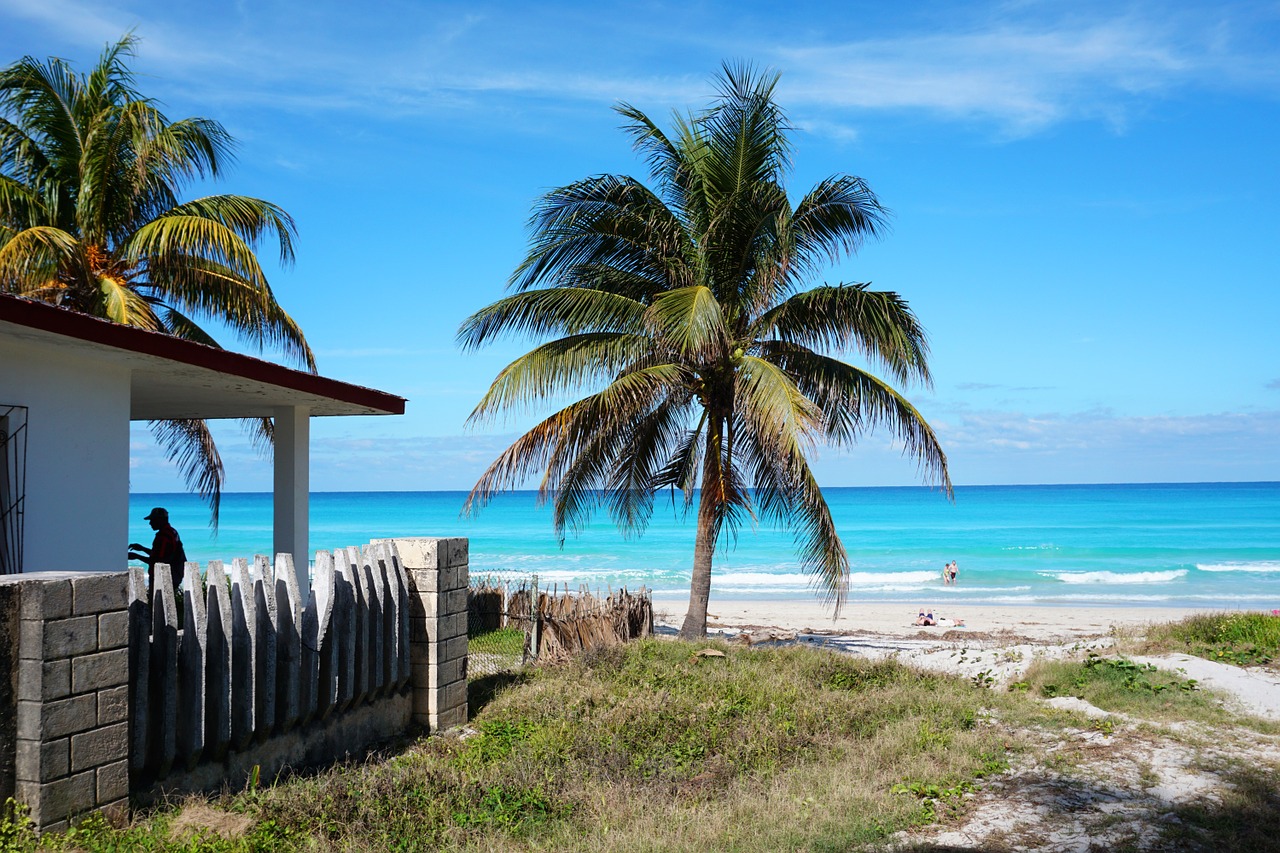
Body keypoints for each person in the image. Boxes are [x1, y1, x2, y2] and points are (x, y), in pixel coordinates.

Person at [128, 507, 186, 592]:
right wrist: (142, 548)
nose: (150, 523)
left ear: (160, 520)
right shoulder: (172, 532)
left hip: (163, 578)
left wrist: (136, 556)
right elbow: (161, 554)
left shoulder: (163, 536)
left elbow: (158, 561)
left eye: (152, 520)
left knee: (156, 603)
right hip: (175, 575)